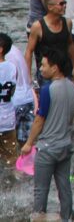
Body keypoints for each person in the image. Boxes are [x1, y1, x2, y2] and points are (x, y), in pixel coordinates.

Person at [22, 49, 74, 220]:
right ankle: (66, 217)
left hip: (47, 148)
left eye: (44, 65)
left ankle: (39, 217)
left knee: (41, 190)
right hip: (65, 146)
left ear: (55, 68)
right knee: (64, 187)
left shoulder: (48, 90)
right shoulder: (73, 87)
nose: (40, 68)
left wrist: (29, 143)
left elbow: (40, 119)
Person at [25, 0, 74, 89]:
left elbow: (70, 44)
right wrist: (28, 76)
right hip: (47, 72)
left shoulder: (68, 23)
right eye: (61, 4)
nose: (65, 6)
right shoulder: (38, 26)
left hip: (66, 70)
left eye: (65, 3)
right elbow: (29, 51)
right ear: (50, 7)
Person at [0, 34, 19, 168]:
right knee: (11, 159)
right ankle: (16, 186)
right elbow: (12, 91)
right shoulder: (13, 67)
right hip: (8, 118)